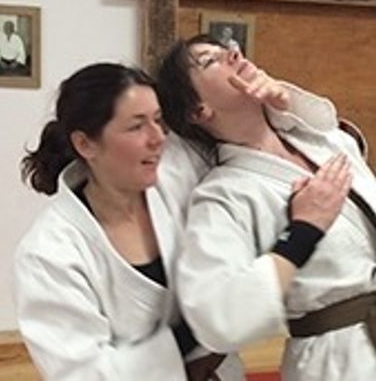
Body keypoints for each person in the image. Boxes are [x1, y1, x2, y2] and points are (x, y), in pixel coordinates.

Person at [15, 61, 349, 381]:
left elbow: (266, 142)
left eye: (158, 120)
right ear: (85, 143)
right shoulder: (49, 254)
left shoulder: (180, 165)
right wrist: (206, 325)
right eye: (136, 126)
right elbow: (83, 374)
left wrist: (281, 103)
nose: (157, 137)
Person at [157, 33, 376, 381]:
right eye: (210, 61)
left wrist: (286, 102)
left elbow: (330, 127)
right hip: (337, 359)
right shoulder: (224, 195)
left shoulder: (320, 142)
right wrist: (302, 231)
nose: (232, 54)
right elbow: (217, 318)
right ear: (199, 111)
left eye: (228, 49)